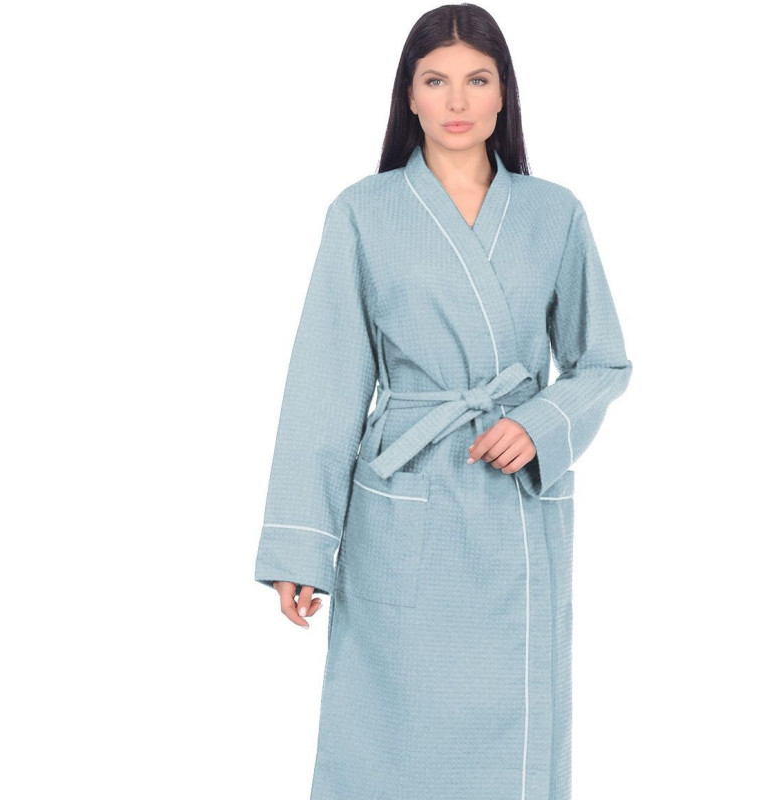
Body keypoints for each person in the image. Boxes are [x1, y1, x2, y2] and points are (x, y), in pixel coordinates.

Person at [253, 4, 631, 798]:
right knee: (386, 722)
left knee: (513, 732)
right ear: (410, 96)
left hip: (516, 503)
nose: (457, 101)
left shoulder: (554, 214)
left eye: (477, 80)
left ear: (504, 94)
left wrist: (540, 423)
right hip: (402, 500)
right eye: (436, 81)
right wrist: (300, 547)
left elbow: (601, 360)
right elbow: (326, 380)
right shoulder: (362, 212)